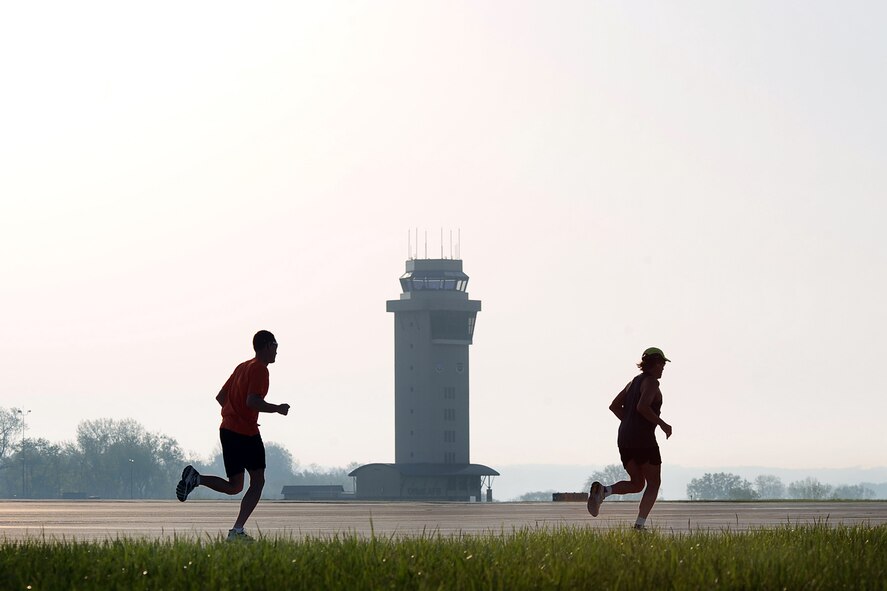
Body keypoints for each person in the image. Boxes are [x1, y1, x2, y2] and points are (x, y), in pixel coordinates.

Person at [176, 330, 290, 542]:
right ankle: (237, 530)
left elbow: (221, 397)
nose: (277, 351)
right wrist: (277, 409)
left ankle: (196, 478)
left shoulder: (242, 367)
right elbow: (252, 401)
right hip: (245, 433)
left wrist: (234, 413)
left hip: (227, 430)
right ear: (266, 346)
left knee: (235, 486)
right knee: (258, 481)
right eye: (275, 345)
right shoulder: (259, 369)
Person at [587, 347, 673, 530]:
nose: (664, 368)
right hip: (643, 439)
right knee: (654, 483)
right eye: (663, 364)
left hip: (624, 438)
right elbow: (643, 407)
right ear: (656, 363)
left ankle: (604, 491)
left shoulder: (633, 382)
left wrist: (629, 421)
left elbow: (614, 406)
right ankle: (639, 527)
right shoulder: (651, 383)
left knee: (637, 483)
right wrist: (662, 423)